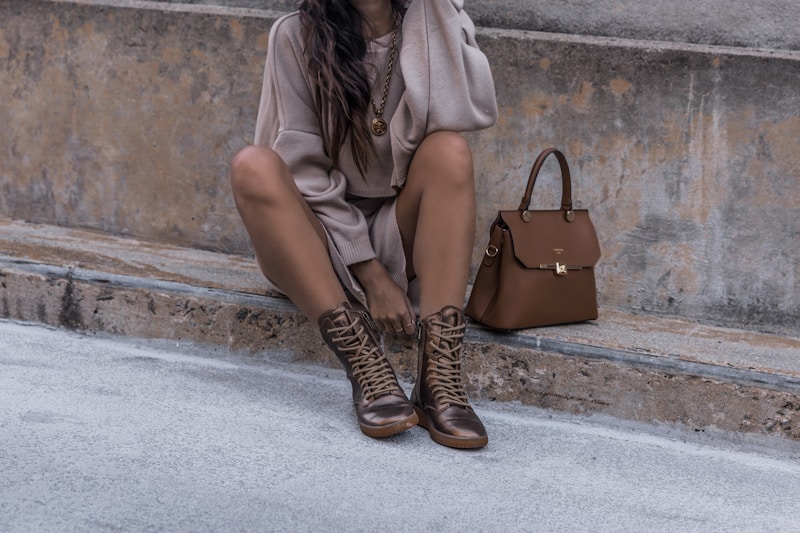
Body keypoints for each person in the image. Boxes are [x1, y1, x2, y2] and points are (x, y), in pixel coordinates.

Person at [229, 0, 498, 449]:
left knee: (449, 150)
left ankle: (439, 379)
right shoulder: (295, 34)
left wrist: (435, 13)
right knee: (252, 165)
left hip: (400, 228)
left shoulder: (428, 22)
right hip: (318, 239)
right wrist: (371, 274)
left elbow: (471, 110)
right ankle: (364, 362)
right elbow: (302, 171)